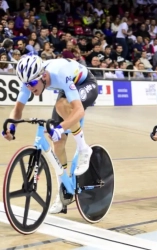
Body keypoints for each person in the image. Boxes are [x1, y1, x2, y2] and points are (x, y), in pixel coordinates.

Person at [2, 54, 98, 213]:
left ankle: (84, 149)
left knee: (62, 107)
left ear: (43, 75)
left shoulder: (59, 72)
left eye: (33, 83)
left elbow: (79, 110)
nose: (30, 88)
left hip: (85, 83)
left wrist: (60, 127)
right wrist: (11, 127)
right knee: (57, 142)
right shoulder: (30, 79)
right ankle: (63, 191)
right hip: (66, 89)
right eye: (26, 85)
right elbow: (17, 109)